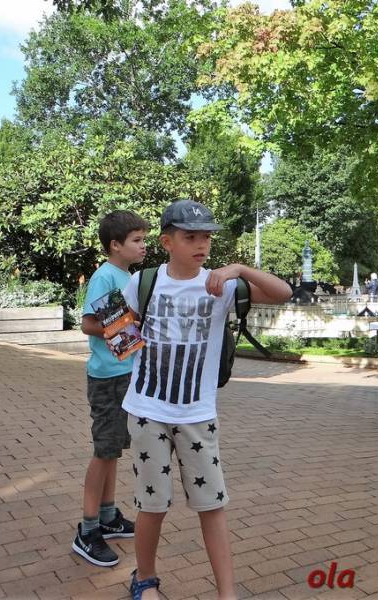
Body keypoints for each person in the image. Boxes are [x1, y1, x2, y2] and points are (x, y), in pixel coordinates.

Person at [121, 199, 292, 600]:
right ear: (167, 242)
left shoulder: (223, 286)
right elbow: (119, 337)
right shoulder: (142, 282)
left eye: (207, 237)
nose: (201, 244)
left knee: (212, 504)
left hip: (197, 412)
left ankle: (226, 593)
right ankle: (145, 579)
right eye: (190, 237)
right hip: (147, 410)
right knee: (152, 504)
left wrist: (239, 269)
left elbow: (283, 292)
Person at [73, 210, 149, 567]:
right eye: (137, 240)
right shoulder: (105, 276)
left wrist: (132, 328)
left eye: (144, 239)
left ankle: (107, 516)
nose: (144, 245)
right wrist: (126, 326)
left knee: (113, 448)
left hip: (124, 372)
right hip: (108, 377)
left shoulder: (127, 276)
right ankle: (87, 529)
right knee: (104, 451)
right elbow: (88, 324)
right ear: (115, 245)